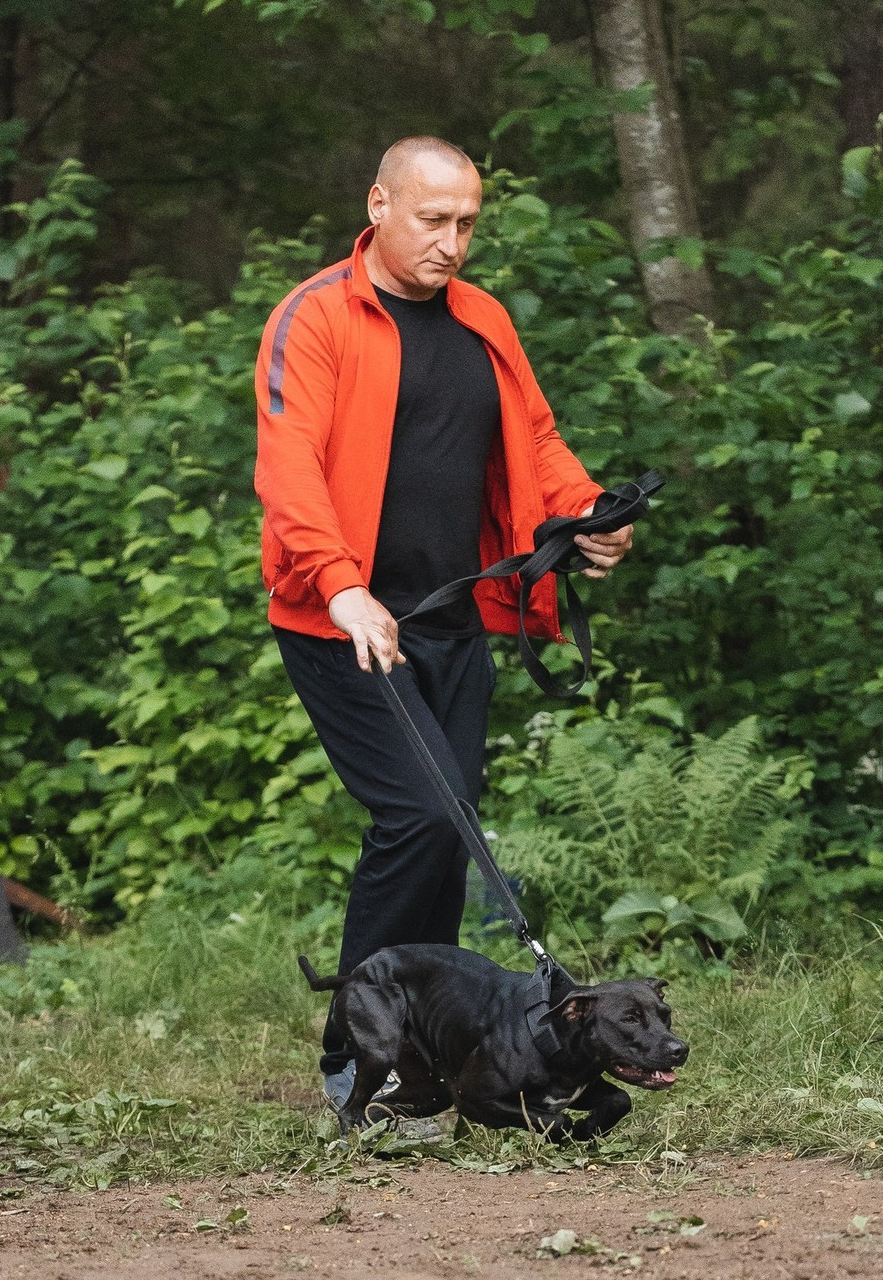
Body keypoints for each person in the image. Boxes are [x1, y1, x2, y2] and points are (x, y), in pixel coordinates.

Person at [254, 136, 633, 1106]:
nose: (452, 241)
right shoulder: (317, 317)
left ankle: (417, 1068)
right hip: (341, 622)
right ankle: (353, 1060)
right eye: (433, 219)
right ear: (377, 203)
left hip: (454, 617)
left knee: (446, 825)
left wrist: (585, 512)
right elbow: (288, 467)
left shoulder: (481, 319)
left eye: (466, 222)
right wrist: (339, 585)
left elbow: (534, 439)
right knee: (418, 813)